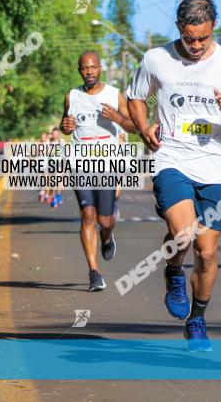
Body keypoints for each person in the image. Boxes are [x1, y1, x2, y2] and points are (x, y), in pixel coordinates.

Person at [127, 0, 221, 351]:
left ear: (213, 27)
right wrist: (142, 127)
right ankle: (173, 273)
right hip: (172, 159)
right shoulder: (156, 59)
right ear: (179, 30)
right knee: (182, 233)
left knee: (207, 252)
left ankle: (197, 319)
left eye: (203, 38)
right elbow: (135, 97)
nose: (196, 46)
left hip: (214, 168)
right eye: (189, 38)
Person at [60, 51, 138, 291]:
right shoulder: (71, 96)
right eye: (85, 68)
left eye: (93, 67)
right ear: (79, 70)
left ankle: (107, 236)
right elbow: (64, 126)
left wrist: (116, 117)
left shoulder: (115, 95)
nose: (89, 71)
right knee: (88, 215)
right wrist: (64, 126)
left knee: (105, 220)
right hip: (80, 163)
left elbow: (135, 126)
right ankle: (94, 273)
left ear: (100, 68)